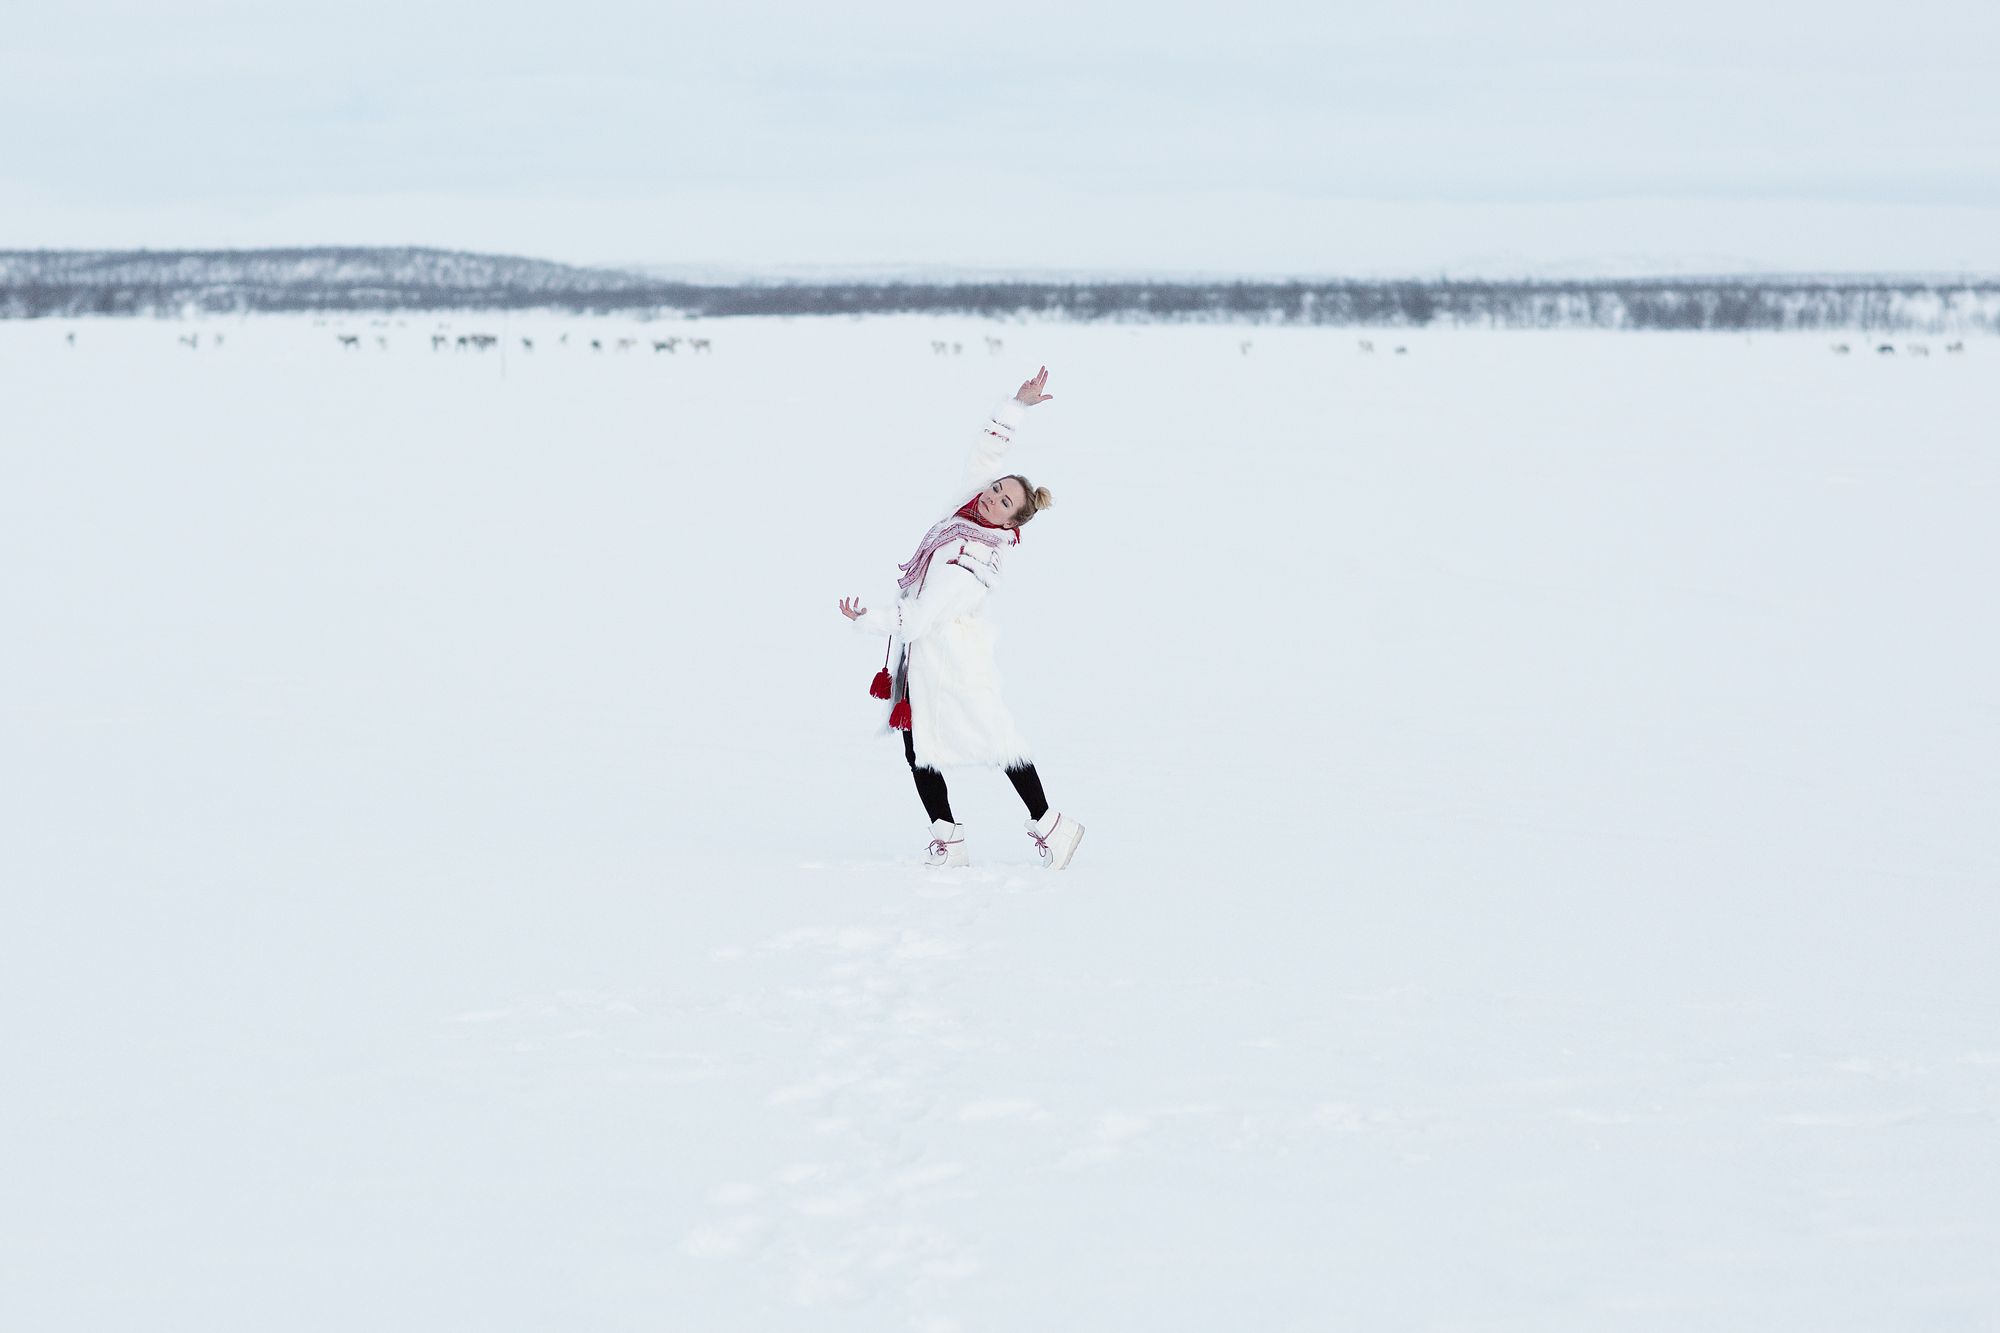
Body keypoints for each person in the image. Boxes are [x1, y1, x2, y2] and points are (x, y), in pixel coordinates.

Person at [838, 367, 1084, 870]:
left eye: (1003, 501)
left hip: (951, 664)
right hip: (931, 661)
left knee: (996, 742)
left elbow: (918, 619)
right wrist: (1015, 407)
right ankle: (952, 843)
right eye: (995, 490)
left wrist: (868, 619)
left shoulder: (971, 558)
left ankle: (1051, 827)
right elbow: (985, 457)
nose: (991, 496)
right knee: (923, 749)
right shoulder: (968, 512)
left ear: (1011, 523)